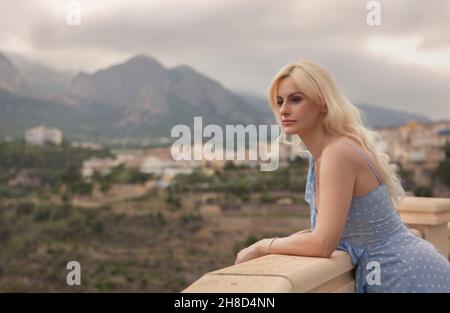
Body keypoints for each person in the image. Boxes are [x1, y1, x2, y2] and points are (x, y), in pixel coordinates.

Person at [234, 60, 450, 292]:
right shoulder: (322, 155)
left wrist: (263, 246)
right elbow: (329, 232)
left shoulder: (337, 153)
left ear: (323, 104)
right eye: (279, 101)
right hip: (395, 272)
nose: (284, 109)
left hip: (406, 275)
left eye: (295, 99)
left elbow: (323, 243)